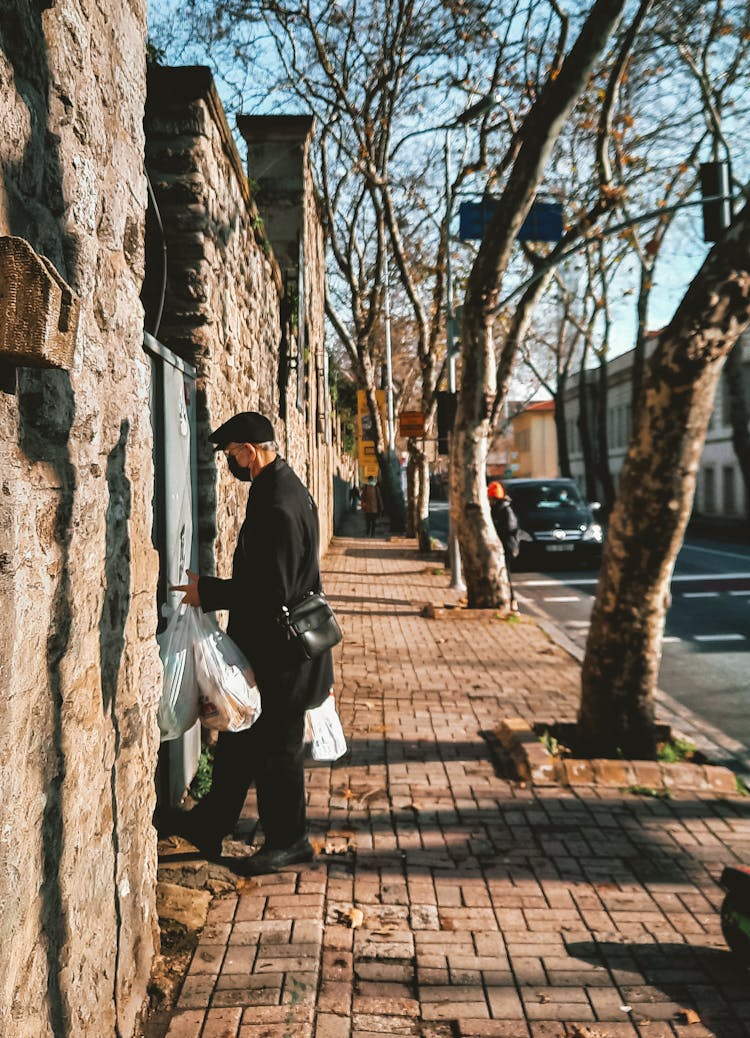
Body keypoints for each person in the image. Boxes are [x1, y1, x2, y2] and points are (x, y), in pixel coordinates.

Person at [163, 411, 334, 875]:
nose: (231, 464)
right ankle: (210, 823)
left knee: (278, 750)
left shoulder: (278, 503)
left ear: (251, 451)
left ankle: (290, 840)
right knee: (239, 741)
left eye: (233, 454)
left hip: (284, 656)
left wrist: (210, 591)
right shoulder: (280, 487)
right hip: (272, 648)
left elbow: (270, 592)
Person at [487, 481, 520, 613]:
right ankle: (509, 600)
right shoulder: (500, 509)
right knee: (502, 574)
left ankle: (512, 601)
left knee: (505, 575)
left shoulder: (505, 511)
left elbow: (508, 530)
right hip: (503, 547)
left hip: (506, 548)